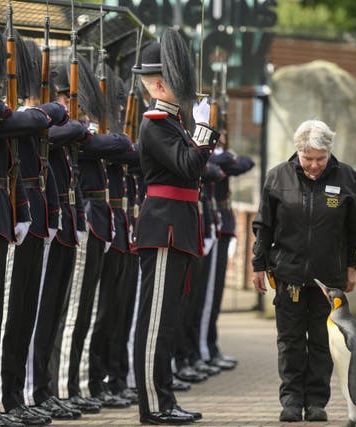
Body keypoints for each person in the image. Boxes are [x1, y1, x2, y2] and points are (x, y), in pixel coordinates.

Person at [132, 28, 219, 425]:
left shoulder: (172, 122)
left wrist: (198, 131)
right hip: (165, 227)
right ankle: (154, 404)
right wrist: (203, 132)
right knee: (155, 322)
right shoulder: (155, 123)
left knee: (167, 320)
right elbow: (188, 165)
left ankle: (163, 399)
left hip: (178, 225)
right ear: (161, 83)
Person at [252, 119, 356, 423]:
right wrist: (258, 265)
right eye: (308, 158)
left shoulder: (348, 178)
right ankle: (290, 399)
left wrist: (351, 267)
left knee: (321, 341)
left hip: (329, 278)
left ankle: (316, 401)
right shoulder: (278, 177)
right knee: (289, 340)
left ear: (329, 153)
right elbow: (264, 226)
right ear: (297, 151)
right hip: (288, 276)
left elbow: (355, 229)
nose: (314, 165)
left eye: (320, 159)